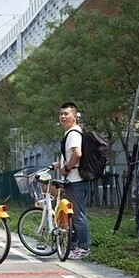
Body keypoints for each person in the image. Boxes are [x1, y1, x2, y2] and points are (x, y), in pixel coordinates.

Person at [51, 101, 91, 260]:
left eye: (66, 114)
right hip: (73, 180)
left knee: (78, 216)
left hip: (76, 180)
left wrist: (66, 168)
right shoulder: (71, 133)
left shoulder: (73, 134)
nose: (62, 116)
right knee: (71, 215)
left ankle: (84, 247)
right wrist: (59, 164)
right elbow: (71, 155)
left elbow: (77, 154)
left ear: (74, 116)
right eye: (61, 114)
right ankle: (73, 246)